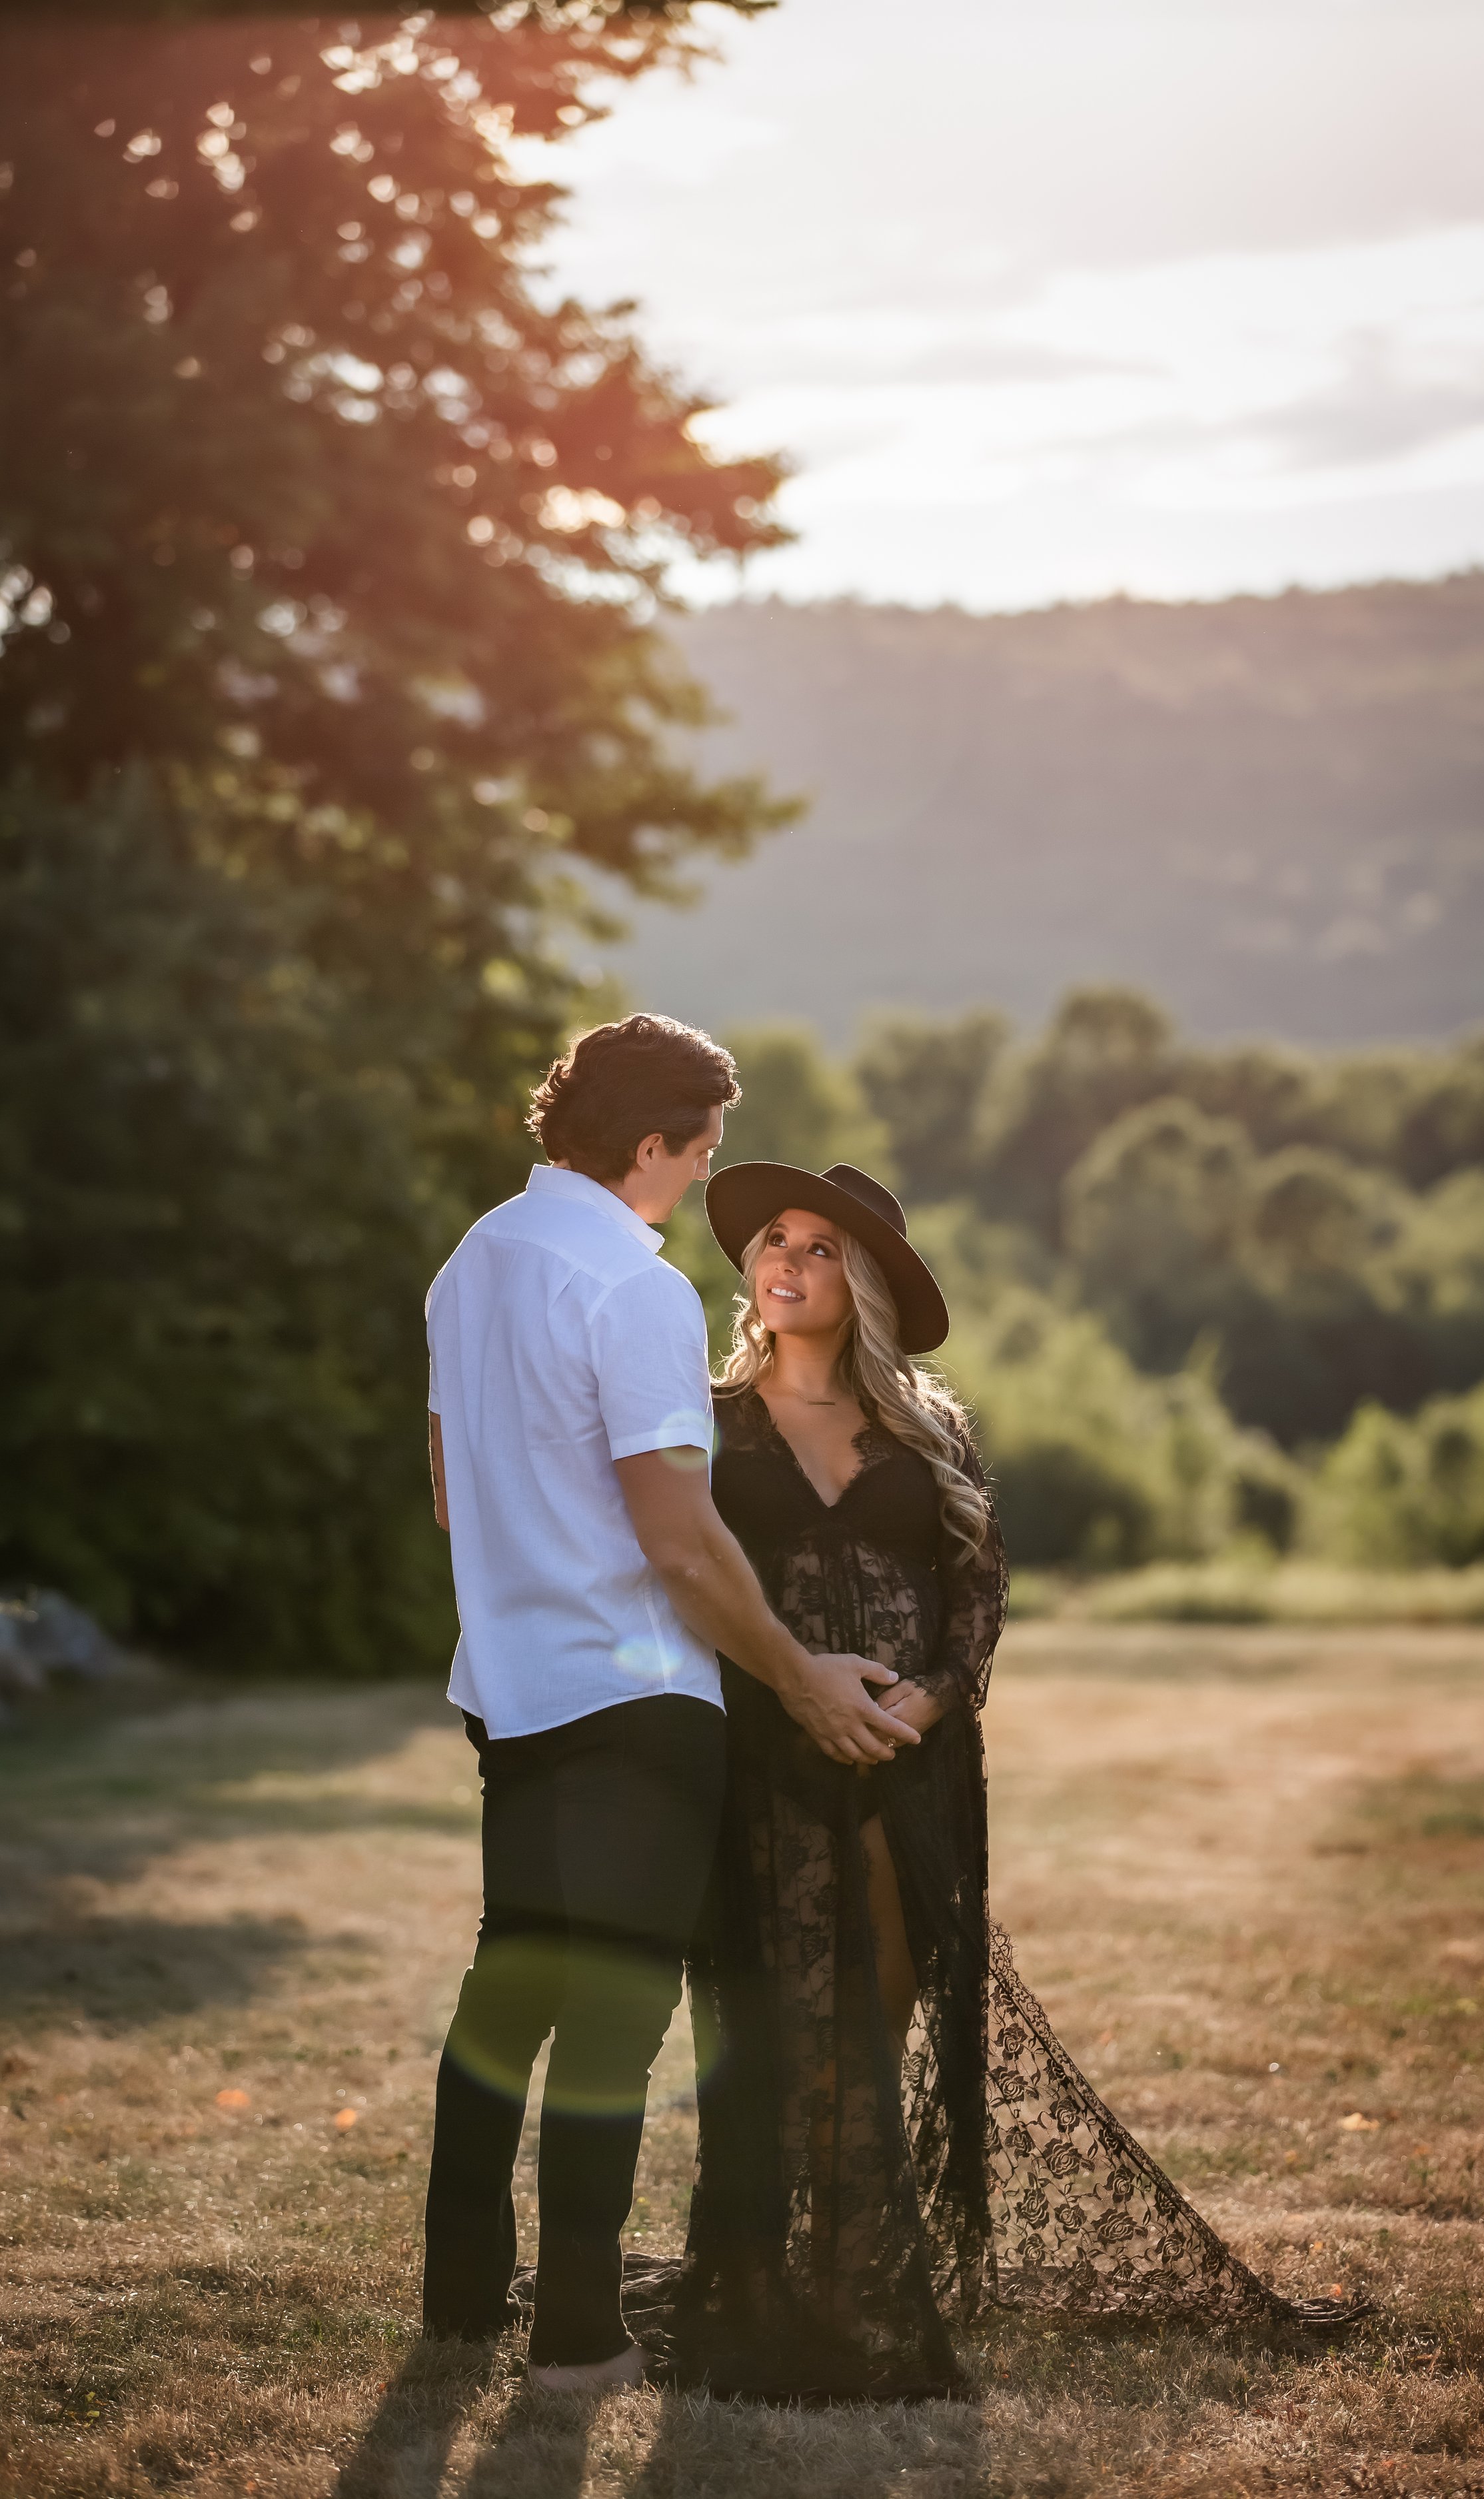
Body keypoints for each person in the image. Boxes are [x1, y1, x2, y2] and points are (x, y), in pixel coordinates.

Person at [667, 1160, 1361, 2401]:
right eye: (774, 1237)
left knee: (876, 2015)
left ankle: (858, 2272)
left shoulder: (927, 1425)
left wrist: (927, 1701)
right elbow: (687, 1578)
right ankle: (774, 2288)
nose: (787, 1259)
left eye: (822, 1246)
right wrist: (798, 1691)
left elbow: (978, 1591)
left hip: (910, 1765)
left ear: (864, 1281)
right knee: (780, 2021)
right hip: (760, 1755)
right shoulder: (707, 1418)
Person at [419, 1023, 920, 2394]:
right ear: (647, 1146)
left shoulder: (470, 1265)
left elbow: (456, 1491)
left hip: (508, 1687)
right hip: (632, 1698)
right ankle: (576, 2336)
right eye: (696, 1149)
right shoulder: (630, 1291)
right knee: (615, 2017)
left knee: (507, 1989)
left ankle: (459, 2300)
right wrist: (798, 1673)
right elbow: (678, 1540)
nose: (698, 1175)